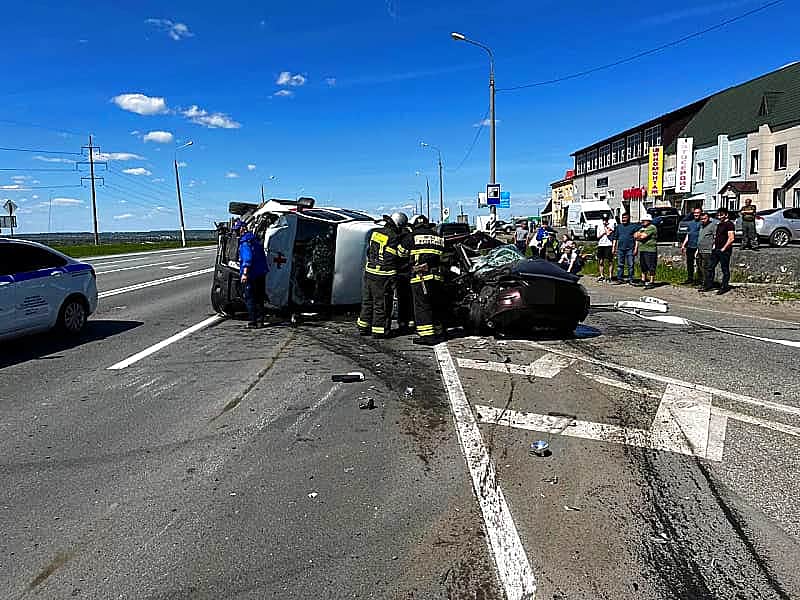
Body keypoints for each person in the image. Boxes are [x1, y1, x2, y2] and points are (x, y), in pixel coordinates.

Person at [357, 213, 406, 339]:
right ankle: (379, 330)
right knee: (382, 303)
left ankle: (363, 326)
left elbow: (369, 251)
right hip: (383, 275)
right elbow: (396, 257)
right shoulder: (394, 237)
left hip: (369, 272)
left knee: (368, 301)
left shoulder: (375, 233)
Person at [400, 214, 446, 345]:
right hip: (437, 277)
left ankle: (427, 336)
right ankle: (439, 332)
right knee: (435, 305)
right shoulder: (438, 236)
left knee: (422, 306)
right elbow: (445, 257)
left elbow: (400, 253)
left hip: (420, 277)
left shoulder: (411, 236)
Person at [234, 219, 268, 328]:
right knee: (259, 297)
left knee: (250, 298)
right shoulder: (254, 239)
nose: (236, 232)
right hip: (261, 273)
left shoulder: (245, 242)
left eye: (237, 230)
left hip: (251, 274)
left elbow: (247, 258)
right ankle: (260, 320)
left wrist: (244, 273)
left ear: (242, 229)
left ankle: (253, 321)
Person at [702, 206, 735, 295]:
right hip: (716, 249)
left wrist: (724, 248)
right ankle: (709, 285)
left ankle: (724, 286)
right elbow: (717, 237)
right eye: (719, 215)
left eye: (721, 215)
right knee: (710, 267)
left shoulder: (729, 224)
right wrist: (714, 246)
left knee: (724, 269)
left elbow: (731, 238)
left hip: (724, 250)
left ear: (726, 215)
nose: (720, 216)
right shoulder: (719, 224)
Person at [393, 213, 414, 334]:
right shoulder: (410, 235)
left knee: (402, 297)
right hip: (408, 271)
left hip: (401, 271)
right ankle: (410, 320)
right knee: (410, 297)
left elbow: (399, 254)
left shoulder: (398, 236)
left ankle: (403, 321)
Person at [610, 213, 640, 285]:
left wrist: (636, 248)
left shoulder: (633, 226)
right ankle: (620, 278)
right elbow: (615, 238)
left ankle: (631, 279)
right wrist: (613, 247)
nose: (624, 219)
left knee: (631, 264)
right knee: (620, 264)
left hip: (630, 248)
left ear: (629, 218)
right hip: (620, 248)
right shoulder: (618, 227)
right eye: (623, 218)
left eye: (625, 218)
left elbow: (637, 239)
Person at [634, 213, 658, 289]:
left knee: (651, 265)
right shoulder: (642, 228)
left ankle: (651, 281)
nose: (643, 222)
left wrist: (639, 235)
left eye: (644, 220)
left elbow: (643, 236)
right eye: (642, 220)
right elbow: (635, 236)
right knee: (643, 265)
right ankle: (643, 279)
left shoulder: (652, 227)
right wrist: (639, 236)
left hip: (650, 250)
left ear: (649, 220)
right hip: (642, 249)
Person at [680, 208, 703, 285]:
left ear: (700, 213)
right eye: (695, 213)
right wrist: (683, 244)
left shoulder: (702, 223)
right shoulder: (690, 223)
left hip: (698, 246)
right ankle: (690, 278)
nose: (696, 214)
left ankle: (700, 280)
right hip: (690, 246)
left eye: (698, 213)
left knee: (699, 264)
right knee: (689, 263)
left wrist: (699, 247)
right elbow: (688, 234)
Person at [696, 211, 717, 289]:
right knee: (701, 267)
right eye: (701, 219)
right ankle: (703, 282)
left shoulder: (712, 225)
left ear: (708, 218)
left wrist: (714, 246)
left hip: (708, 250)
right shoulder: (702, 226)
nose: (703, 220)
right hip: (700, 250)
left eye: (704, 218)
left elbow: (715, 237)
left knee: (707, 267)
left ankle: (708, 284)